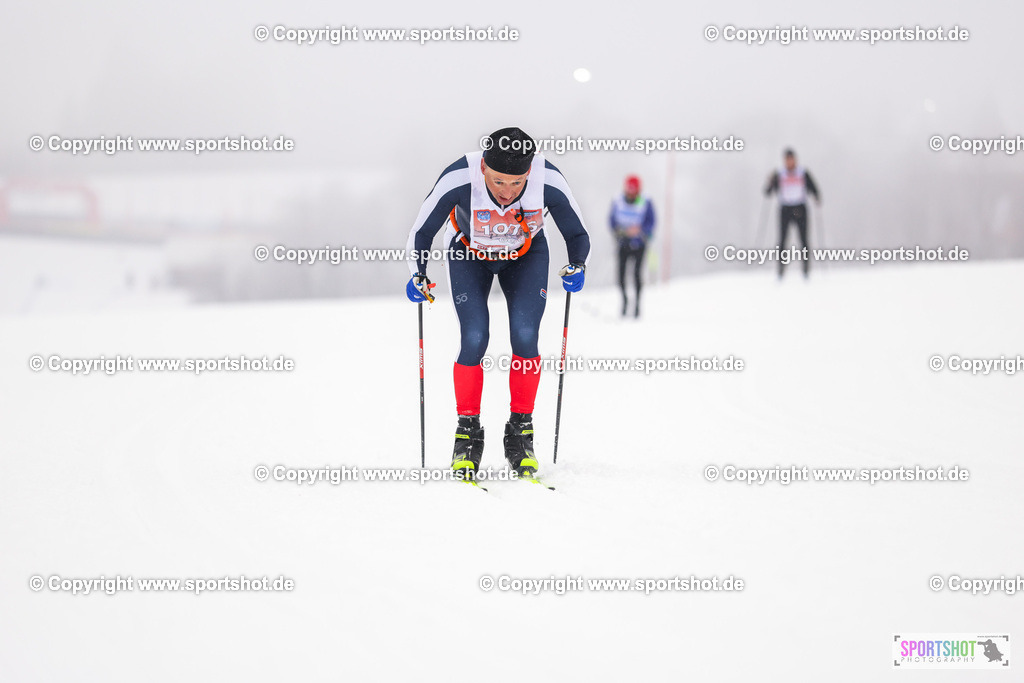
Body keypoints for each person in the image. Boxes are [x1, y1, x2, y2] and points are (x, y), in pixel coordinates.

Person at [405, 127, 591, 481]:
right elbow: (421, 232)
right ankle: (468, 431)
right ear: (484, 170)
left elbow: (578, 234)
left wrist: (578, 265)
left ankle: (520, 431)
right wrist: (418, 273)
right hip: (468, 253)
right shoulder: (458, 176)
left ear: (530, 172)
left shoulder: (548, 178)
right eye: (499, 182)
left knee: (525, 335)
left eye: (518, 183)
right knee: (474, 336)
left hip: (526, 254)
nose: (508, 193)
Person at [764, 149, 820, 279]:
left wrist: (817, 197)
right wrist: (770, 182)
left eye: (791, 159)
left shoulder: (802, 172)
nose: (789, 162)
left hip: (799, 208)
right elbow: (767, 192)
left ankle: (806, 269)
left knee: (803, 240)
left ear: (795, 159)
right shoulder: (779, 174)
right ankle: (781, 270)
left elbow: (813, 188)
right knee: (783, 240)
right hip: (785, 209)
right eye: (787, 159)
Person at [609, 175, 655, 316]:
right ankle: (624, 301)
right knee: (621, 275)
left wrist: (641, 231)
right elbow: (612, 221)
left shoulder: (645, 201)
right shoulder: (618, 200)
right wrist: (621, 231)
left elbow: (651, 221)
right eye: (629, 189)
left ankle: (637, 306)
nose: (631, 193)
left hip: (639, 244)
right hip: (623, 243)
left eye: (634, 190)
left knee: (636, 275)